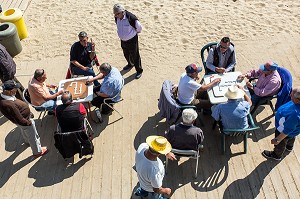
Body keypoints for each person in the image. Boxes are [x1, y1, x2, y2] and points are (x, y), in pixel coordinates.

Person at [0, 80, 48, 157]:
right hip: (25, 121)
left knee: (24, 131)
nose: (16, 90)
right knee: (33, 137)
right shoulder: (10, 105)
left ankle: (27, 141)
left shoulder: (4, 97)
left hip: (19, 122)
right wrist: (29, 123)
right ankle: (38, 152)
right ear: (9, 91)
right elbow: (20, 119)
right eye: (15, 88)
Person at [262, 87, 300, 161]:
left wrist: (277, 140)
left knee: (281, 143)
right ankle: (289, 147)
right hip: (294, 131)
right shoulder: (296, 102)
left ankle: (276, 155)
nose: (290, 95)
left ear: (298, 100)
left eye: (291, 95)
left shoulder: (295, 115)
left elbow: (287, 131)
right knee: (291, 137)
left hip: (282, 130)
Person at [113, 3, 143, 79]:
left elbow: (139, 28)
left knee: (135, 55)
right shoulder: (117, 18)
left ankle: (139, 70)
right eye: (115, 14)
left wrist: (132, 34)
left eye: (117, 14)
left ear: (122, 12)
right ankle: (130, 64)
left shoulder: (131, 18)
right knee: (126, 53)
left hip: (132, 40)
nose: (116, 16)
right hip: (123, 40)